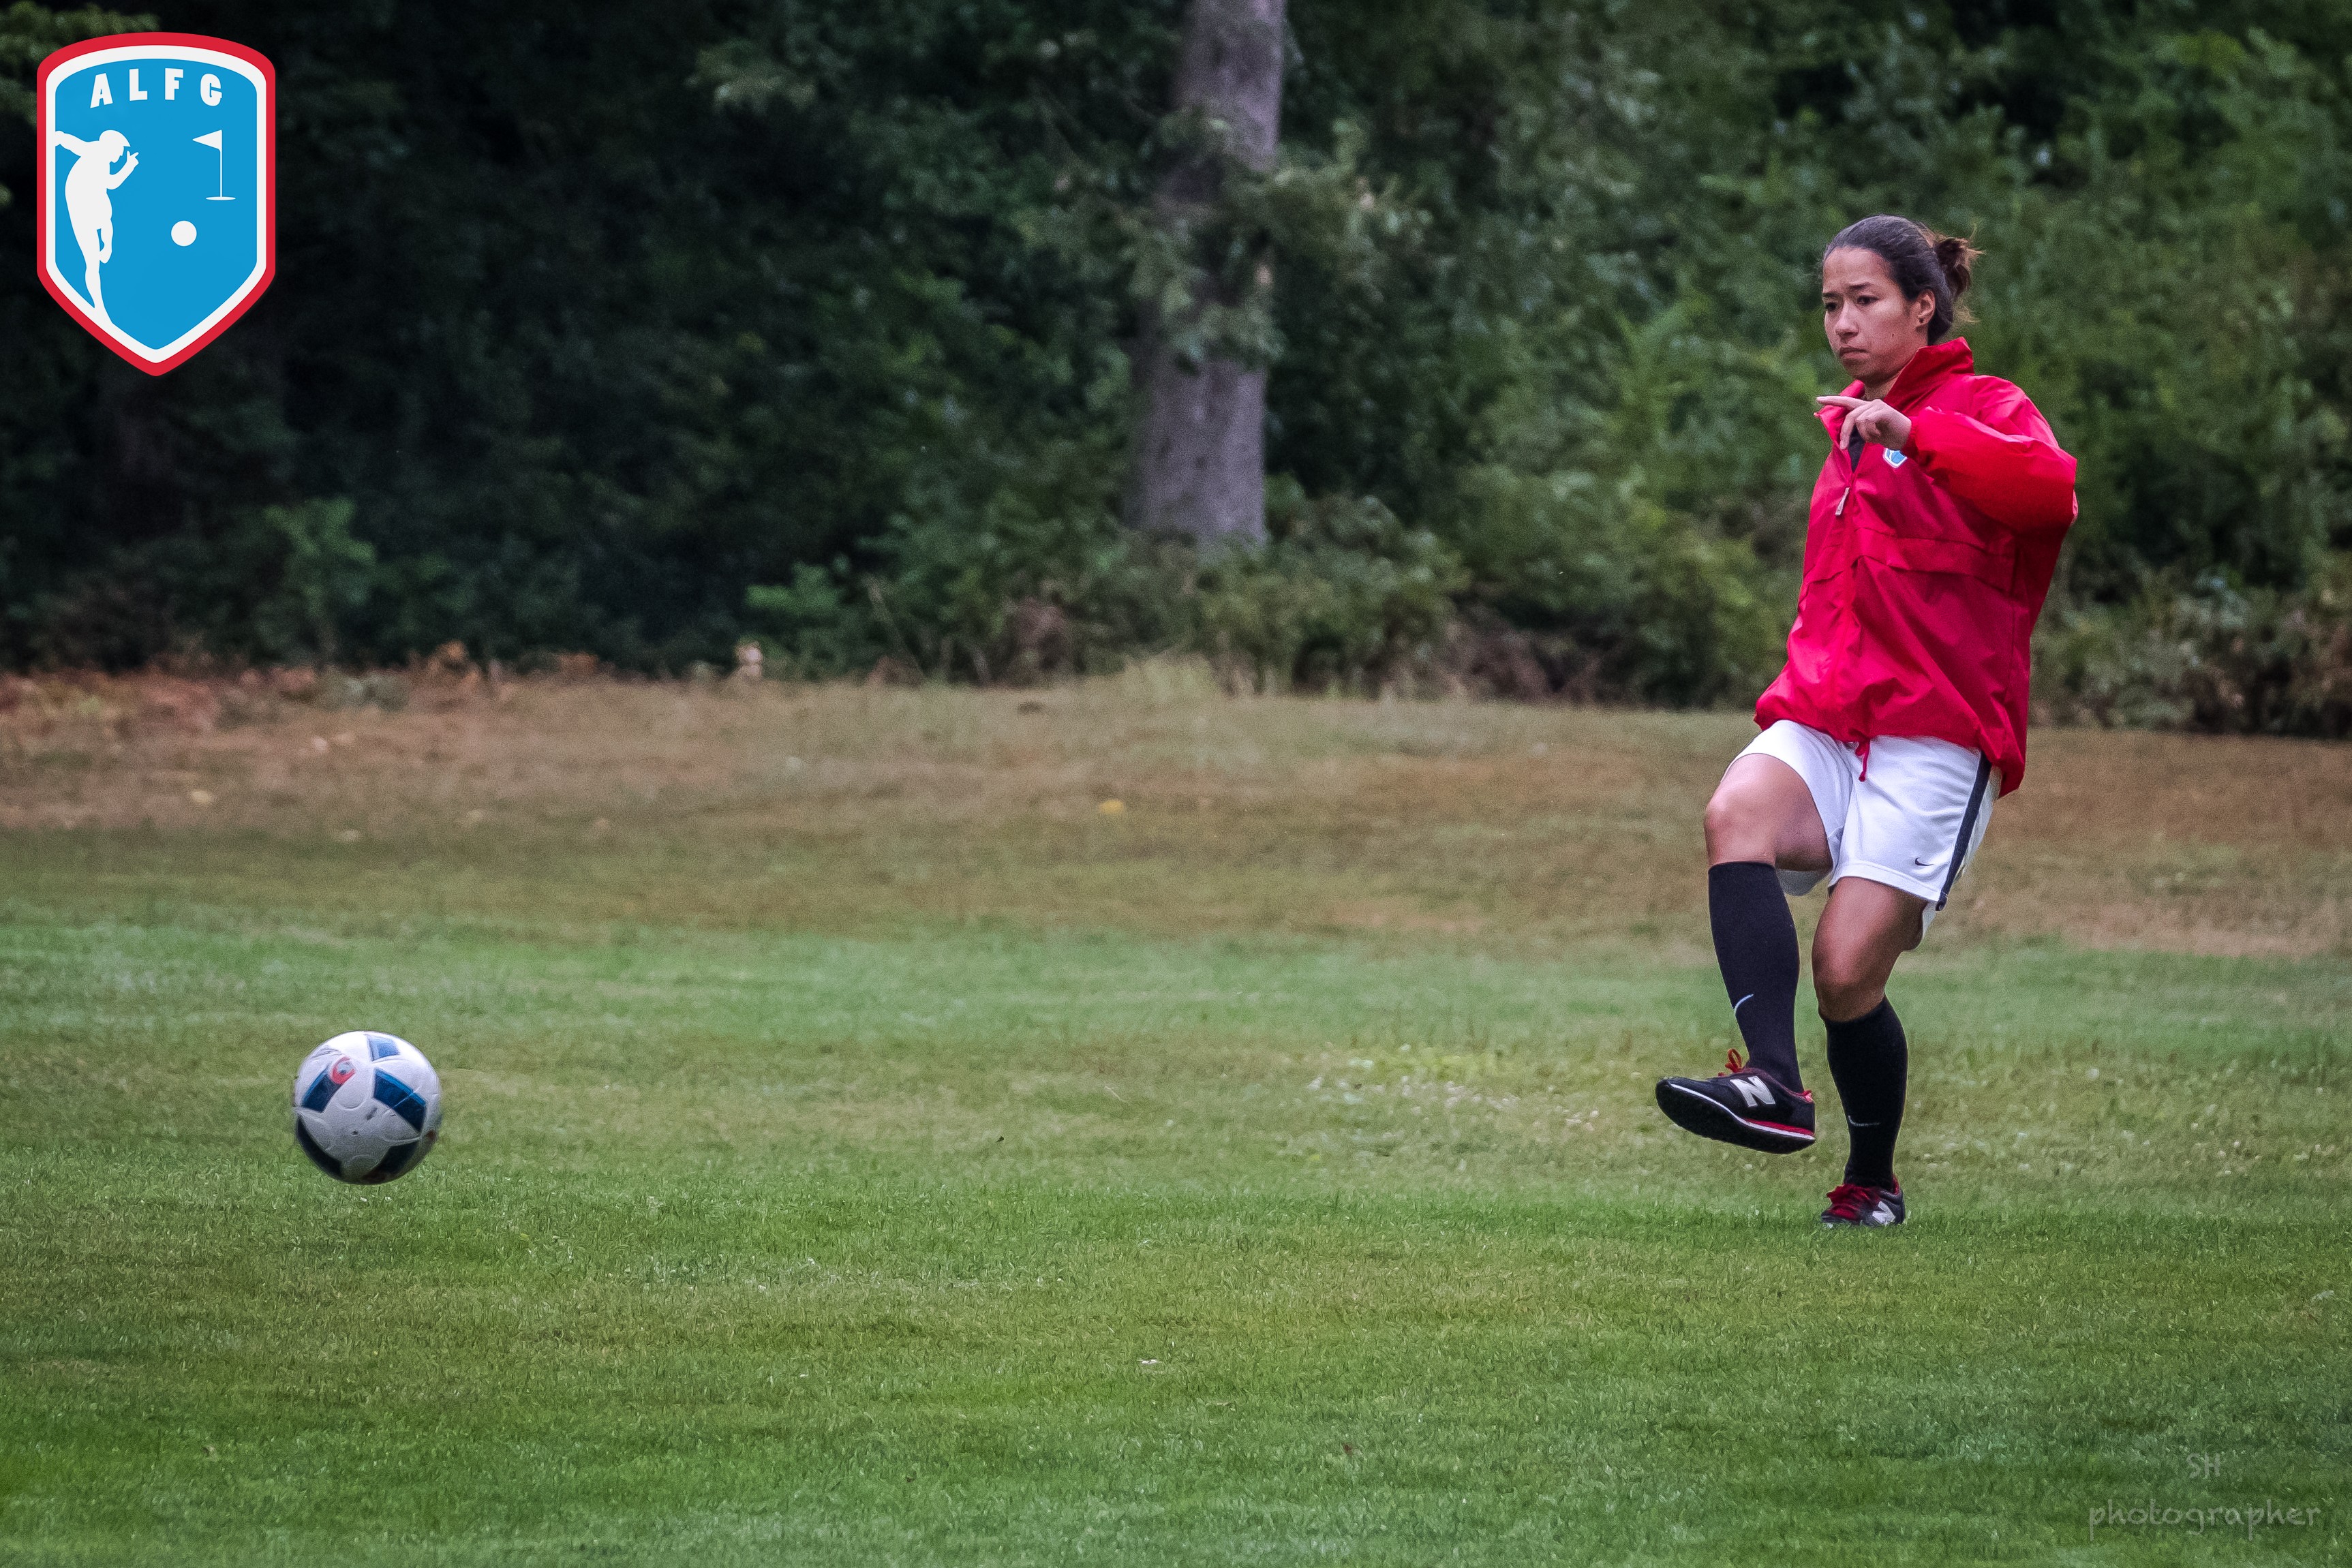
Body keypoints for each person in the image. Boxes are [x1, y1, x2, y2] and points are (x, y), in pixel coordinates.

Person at [1653, 215, 2077, 1228]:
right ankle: (1772, 1083)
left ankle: (1872, 1181)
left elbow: (2049, 495)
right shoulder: (1845, 431)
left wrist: (1913, 435)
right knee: (1733, 813)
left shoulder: (1985, 407)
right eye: (1830, 305)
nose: (1841, 323)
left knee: (1845, 974)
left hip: (1936, 740)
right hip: (1827, 719)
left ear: (1921, 307)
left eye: (1864, 301)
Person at [55, 129, 138, 326]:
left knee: (106, 218)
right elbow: (76, 145)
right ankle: (99, 309)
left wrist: (128, 165)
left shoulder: (104, 160)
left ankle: (107, 246)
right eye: (120, 149)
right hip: (80, 206)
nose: (121, 154)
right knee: (93, 264)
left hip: (93, 202)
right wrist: (59, 137)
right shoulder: (96, 151)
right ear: (110, 145)